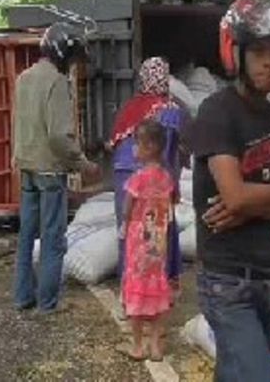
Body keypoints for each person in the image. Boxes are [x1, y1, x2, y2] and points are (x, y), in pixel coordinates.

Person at [191, 0, 270, 381]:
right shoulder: (216, 113)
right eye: (259, 51)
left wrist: (251, 202)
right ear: (236, 52)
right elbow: (234, 195)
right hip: (226, 280)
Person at [13, 22, 101, 314]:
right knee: (52, 239)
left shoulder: (23, 78)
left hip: (26, 167)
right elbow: (58, 135)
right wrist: (82, 164)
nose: (73, 66)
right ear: (63, 53)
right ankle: (47, 304)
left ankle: (23, 297)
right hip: (51, 171)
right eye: (73, 59)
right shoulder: (57, 83)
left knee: (26, 236)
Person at [108, 57, 188, 291]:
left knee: (129, 232)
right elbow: (168, 152)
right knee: (159, 231)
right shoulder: (169, 109)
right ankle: (160, 285)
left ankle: (129, 288)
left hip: (123, 175)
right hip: (152, 178)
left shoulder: (130, 107)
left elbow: (115, 146)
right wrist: (172, 185)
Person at [118, 119, 175, 362]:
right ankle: (155, 346)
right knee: (158, 285)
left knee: (136, 289)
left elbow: (127, 208)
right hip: (159, 238)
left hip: (138, 239)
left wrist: (124, 225)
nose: (134, 149)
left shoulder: (137, 179)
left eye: (137, 144)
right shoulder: (166, 178)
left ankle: (137, 346)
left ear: (150, 147)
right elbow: (170, 207)